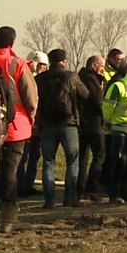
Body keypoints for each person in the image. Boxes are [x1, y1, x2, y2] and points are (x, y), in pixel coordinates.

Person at [0, 27, 38, 233]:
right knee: (10, 171)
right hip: (15, 126)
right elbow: (30, 96)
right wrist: (32, 116)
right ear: (12, 43)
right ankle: (8, 219)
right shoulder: (17, 64)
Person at [34, 49, 90, 208]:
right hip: (69, 124)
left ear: (49, 61)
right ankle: (70, 197)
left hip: (47, 124)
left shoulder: (40, 79)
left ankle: (49, 200)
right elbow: (86, 95)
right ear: (63, 61)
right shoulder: (72, 77)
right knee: (72, 161)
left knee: (48, 162)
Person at [102, 58, 127, 205]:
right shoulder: (118, 86)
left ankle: (126, 191)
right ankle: (115, 193)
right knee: (119, 162)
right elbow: (108, 106)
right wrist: (110, 122)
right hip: (119, 130)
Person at [16, 52, 49, 197]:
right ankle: (20, 186)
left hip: (36, 123)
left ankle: (28, 185)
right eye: (42, 65)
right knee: (24, 156)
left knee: (34, 155)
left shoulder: (41, 80)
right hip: (26, 123)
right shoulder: (26, 78)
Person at [76, 55, 107, 203]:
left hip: (81, 123)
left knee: (82, 158)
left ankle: (79, 190)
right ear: (94, 66)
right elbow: (98, 100)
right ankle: (91, 188)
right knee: (99, 155)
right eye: (102, 66)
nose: (103, 69)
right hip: (94, 123)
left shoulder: (79, 77)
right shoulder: (91, 79)